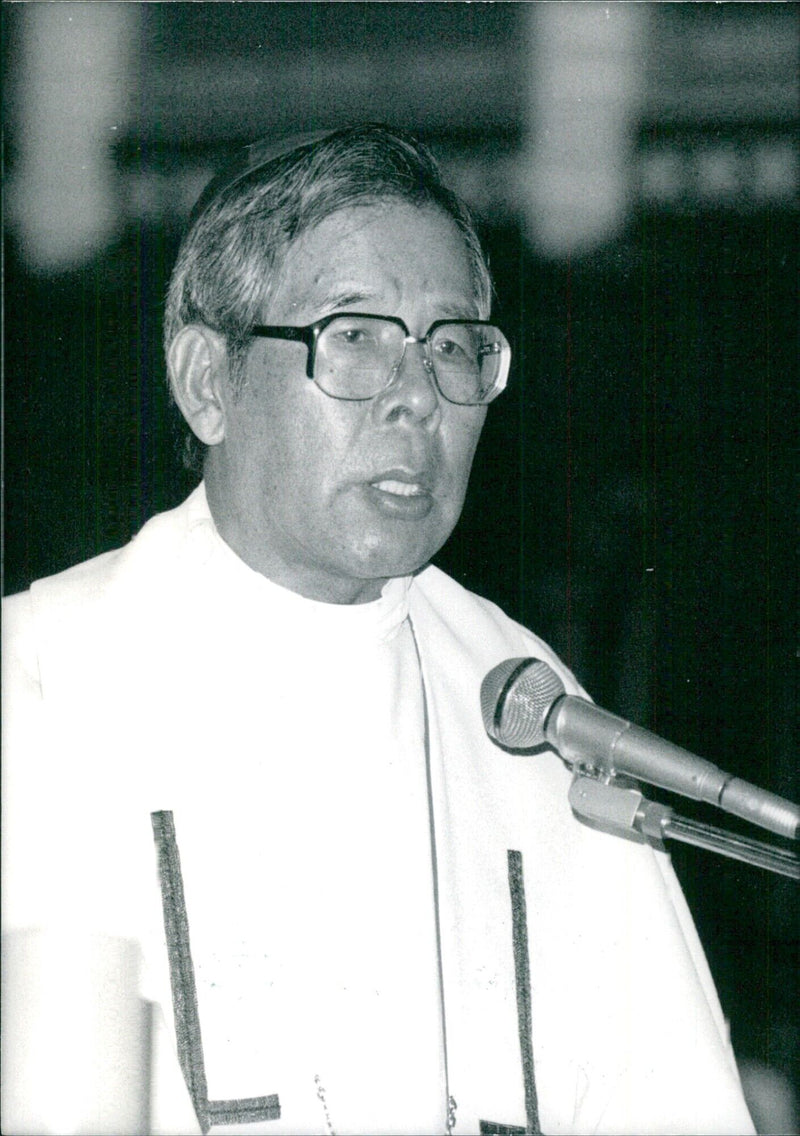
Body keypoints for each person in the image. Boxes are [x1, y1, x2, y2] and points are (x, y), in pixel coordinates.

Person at [2, 124, 755, 1135]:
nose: (416, 396)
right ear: (206, 381)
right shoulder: (39, 681)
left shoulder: (529, 712)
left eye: (451, 346)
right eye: (354, 337)